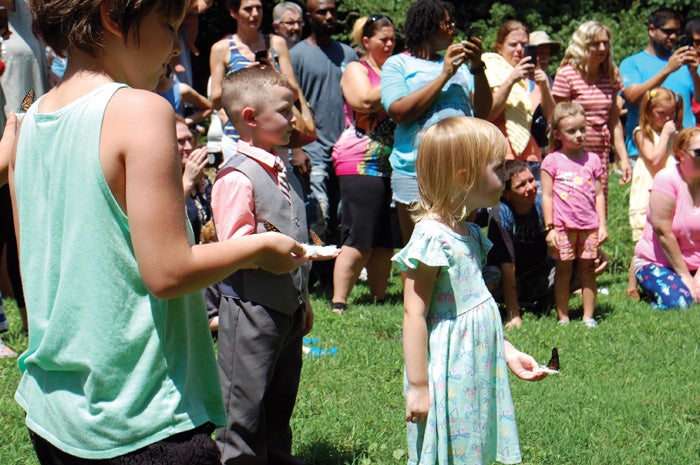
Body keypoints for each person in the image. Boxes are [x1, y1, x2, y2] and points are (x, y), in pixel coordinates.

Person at [11, 1, 308, 462]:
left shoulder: (27, 122)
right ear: (113, 16)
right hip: (140, 413)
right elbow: (168, 271)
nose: (174, 47)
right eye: (167, 25)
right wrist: (260, 248)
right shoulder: (139, 110)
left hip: (52, 411)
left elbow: (34, 267)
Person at [392, 116, 547, 465]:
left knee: (473, 443)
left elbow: (472, 303)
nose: (506, 175)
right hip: (448, 369)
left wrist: (507, 351)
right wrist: (419, 386)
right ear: (465, 177)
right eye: (498, 167)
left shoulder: (470, 232)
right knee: (450, 448)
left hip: (475, 363)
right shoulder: (432, 236)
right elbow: (413, 313)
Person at [211, 65, 327, 464]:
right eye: (285, 110)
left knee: (281, 397)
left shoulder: (283, 170)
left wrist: (304, 300)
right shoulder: (237, 177)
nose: (294, 118)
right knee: (243, 402)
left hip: (287, 306)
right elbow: (234, 248)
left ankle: (276, 457)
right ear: (250, 118)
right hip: (251, 307)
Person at [381, 0, 490, 244]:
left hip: (462, 169)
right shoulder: (398, 64)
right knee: (419, 251)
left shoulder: (461, 66)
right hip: (414, 170)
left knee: (463, 246)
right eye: (448, 22)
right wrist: (444, 75)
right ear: (429, 25)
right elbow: (398, 112)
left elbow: (482, 113)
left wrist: (477, 66)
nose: (453, 28)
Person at [330, 15, 396, 314]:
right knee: (360, 237)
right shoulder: (355, 69)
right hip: (358, 160)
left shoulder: (392, 70)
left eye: (393, 39)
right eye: (384, 39)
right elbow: (364, 101)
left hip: (387, 163)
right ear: (366, 41)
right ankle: (339, 302)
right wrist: (402, 81)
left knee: (384, 240)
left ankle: (379, 299)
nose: (390, 44)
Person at [290, 0, 358, 245]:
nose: (329, 17)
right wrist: (296, 148)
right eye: (322, 12)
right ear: (309, 17)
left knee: (344, 211)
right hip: (312, 147)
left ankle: (339, 261)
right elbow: (290, 104)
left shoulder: (348, 54)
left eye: (332, 11)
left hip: (345, 146)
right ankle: (316, 263)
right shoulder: (296, 55)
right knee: (320, 211)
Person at [209, 0, 303, 158]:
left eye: (258, 8)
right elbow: (216, 99)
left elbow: (293, 93)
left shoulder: (276, 44)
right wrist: (242, 77)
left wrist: (272, 72)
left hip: (275, 139)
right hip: (237, 139)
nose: (255, 14)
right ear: (234, 12)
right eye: (248, 9)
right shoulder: (221, 49)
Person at [553, 20, 632, 207]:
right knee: (573, 206)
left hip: (600, 152)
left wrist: (623, 158)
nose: (602, 48)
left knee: (597, 206)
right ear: (583, 45)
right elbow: (558, 120)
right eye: (595, 43)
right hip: (572, 152)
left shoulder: (610, 75)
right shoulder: (567, 75)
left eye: (605, 42)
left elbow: (614, 121)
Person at [542, 102, 606, 327]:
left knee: (588, 269)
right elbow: (547, 196)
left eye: (582, 129)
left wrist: (602, 225)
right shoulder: (552, 161)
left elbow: (599, 194)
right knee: (563, 270)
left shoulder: (593, 160)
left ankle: (589, 316)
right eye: (572, 131)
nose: (579, 135)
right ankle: (564, 316)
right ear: (558, 134)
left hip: (589, 226)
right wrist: (549, 228)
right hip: (562, 227)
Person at [632, 126, 700, 309]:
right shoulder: (666, 179)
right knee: (682, 303)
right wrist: (685, 276)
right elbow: (663, 231)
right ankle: (652, 292)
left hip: (696, 265)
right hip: (658, 262)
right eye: (699, 152)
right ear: (681, 154)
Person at [620, 8, 700, 159]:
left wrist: (695, 73)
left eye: (677, 32)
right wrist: (667, 70)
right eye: (668, 31)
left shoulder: (685, 63)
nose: (673, 37)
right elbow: (633, 98)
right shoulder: (631, 63)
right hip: (646, 152)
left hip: (684, 152)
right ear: (652, 30)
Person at [485, 160, 555, 329]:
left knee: (581, 260)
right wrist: (513, 314)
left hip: (537, 274)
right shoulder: (500, 213)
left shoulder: (541, 205)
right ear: (506, 193)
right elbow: (507, 266)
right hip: (505, 278)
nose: (530, 187)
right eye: (521, 185)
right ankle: (496, 309)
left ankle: (548, 303)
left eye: (531, 180)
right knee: (492, 275)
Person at [627, 87, 681, 300]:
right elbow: (654, 160)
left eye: (671, 114)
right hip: (649, 187)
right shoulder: (641, 132)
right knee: (643, 238)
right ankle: (632, 285)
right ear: (648, 112)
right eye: (662, 114)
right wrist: (667, 135)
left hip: (668, 189)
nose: (667, 119)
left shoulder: (671, 131)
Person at [483, 20, 555, 177]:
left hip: (532, 159)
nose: (519, 50)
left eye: (524, 45)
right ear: (500, 48)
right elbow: (487, 115)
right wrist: (511, 79)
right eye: (513, 44)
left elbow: (553, 119)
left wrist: (544, 86)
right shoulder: (490, 73)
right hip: (499, 157)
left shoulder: (537, 77)